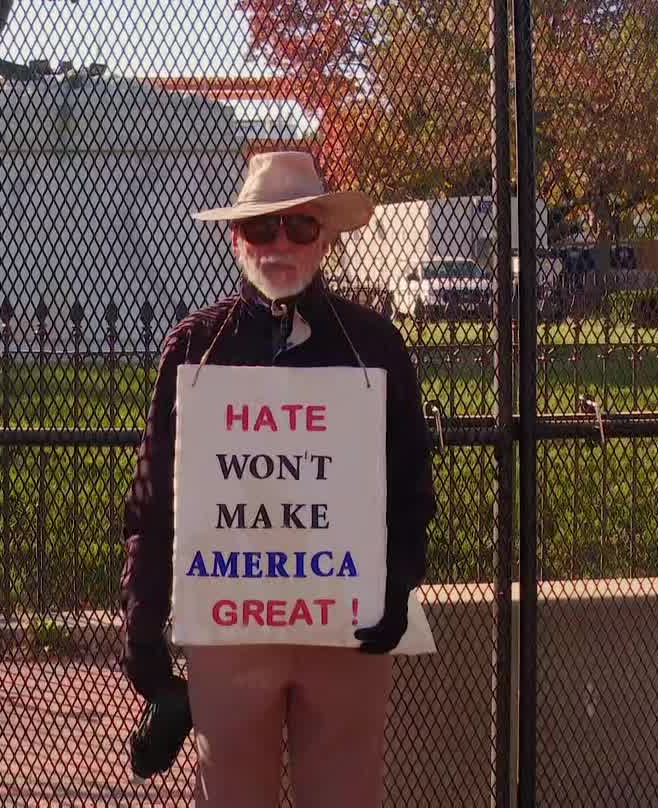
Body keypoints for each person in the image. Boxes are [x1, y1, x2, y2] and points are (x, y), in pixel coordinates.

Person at [120, 151, 439, 806]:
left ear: (324, 239)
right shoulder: (196, 346)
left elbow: (411, 484)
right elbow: (154, 496)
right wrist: (143, 622)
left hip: (346, 627)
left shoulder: (372, 343)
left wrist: (396, 584)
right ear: (236, 239)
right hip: (232, 630)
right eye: (263, 229)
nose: (281, 244)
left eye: (299, 227)